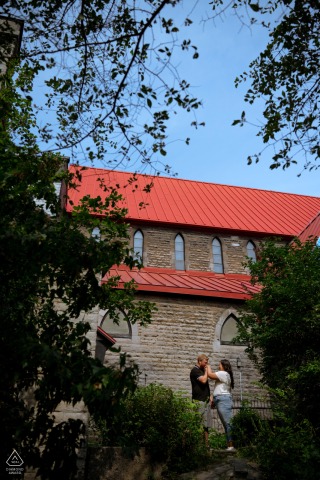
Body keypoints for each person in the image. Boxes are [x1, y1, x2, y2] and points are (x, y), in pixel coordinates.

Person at [208, 359, 235, 451]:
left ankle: (231, 446)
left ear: (223, 365)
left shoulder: (223, 373)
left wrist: (207, 366)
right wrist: (213, 398)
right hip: (221, 399)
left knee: (228, 423)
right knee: (226, 423)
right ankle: (229, 445)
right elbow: (218, 388)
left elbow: (210, 375)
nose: (218, 365)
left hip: (223, 400)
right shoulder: (224, 375)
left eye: (219, 364)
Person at [190, 354, 214, 446]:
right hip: (199, 400)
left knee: (206, 425)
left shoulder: (202, 371)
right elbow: (203, 380)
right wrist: (207, 370)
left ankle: (206, 445)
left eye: (207, 363)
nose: (206, 364)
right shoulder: (195, 371)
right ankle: (199, 445)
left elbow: (205, 386)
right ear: (199, 361)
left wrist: (210, 397)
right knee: (200, 424)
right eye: (205, 362)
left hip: (206, 400)